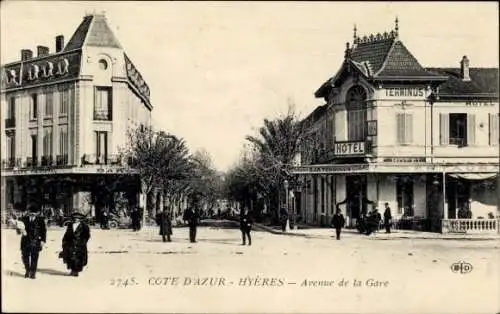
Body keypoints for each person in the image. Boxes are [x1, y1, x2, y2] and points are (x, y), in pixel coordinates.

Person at [18, 205, 47, 279]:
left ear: (37, 213)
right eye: (31, 212)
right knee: (25, 257)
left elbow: (43, 231)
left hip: (36, 241)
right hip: (25, 241)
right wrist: (20, 230)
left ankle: (33, 273)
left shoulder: (40, 220)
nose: (32, 214)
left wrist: (43, 240)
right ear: (28, 212)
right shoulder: (23, 219)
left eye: (34, 213)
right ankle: (27, 270)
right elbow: (18, 230)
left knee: (34, 257)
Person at [61, 212, 91, 277]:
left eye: (77, 218)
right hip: (70, 244)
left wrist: (82, 242)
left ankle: (76, 271)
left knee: (78, 258)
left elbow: (87, 236)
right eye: (75, 218)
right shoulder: (70, 225)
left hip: (79, 245)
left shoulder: (84, 226)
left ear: (80, 219)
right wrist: (64, 241)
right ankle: (72, 270)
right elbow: (67, 234)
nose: (76, 219)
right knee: (70, 257)